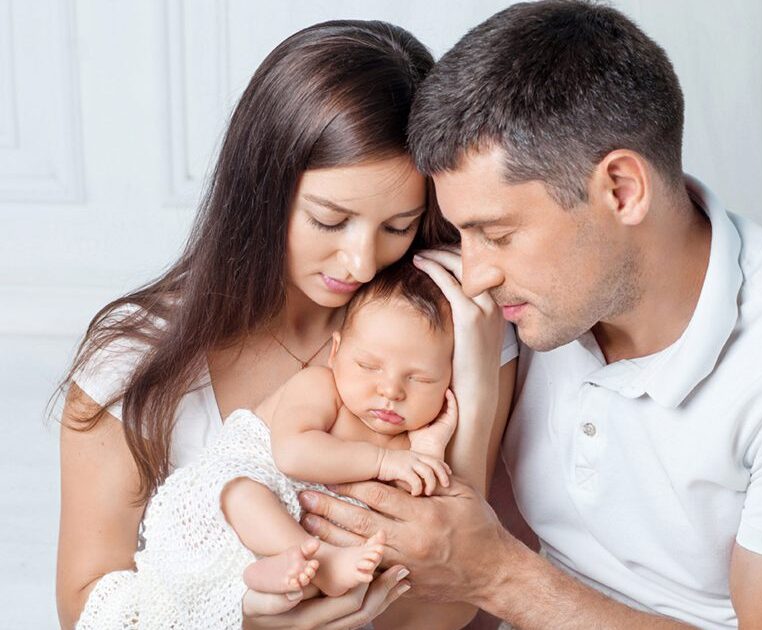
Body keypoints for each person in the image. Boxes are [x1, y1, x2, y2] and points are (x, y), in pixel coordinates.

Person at [296, 2, 762, 629]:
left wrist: (499, 574)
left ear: (622, 190)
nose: (473, 275)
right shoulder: (510, 309)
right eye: (463, 234)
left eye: (497, 235)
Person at [57, 20, 517, 630]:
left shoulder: (458, 333)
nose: (360, 263)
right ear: (262, 190)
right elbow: (83, 609)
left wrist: (478, 387)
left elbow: (449, 609)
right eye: (330, 220)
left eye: (398, 226)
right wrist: (237, 620)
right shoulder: (134, 357)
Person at [77, 262, 461, 628]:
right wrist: (382, 462)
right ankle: (311, 564)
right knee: (246, 494)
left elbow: (414, 522)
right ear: (336, 352)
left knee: (308, 587)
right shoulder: (321, 387)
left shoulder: (407, 445)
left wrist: (428, 450)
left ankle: (261, 580)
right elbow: (294, 455)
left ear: (448, 381)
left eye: (421, 379)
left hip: (293, 551)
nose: (391, 390)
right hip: (232, 501)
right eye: (369, 366)